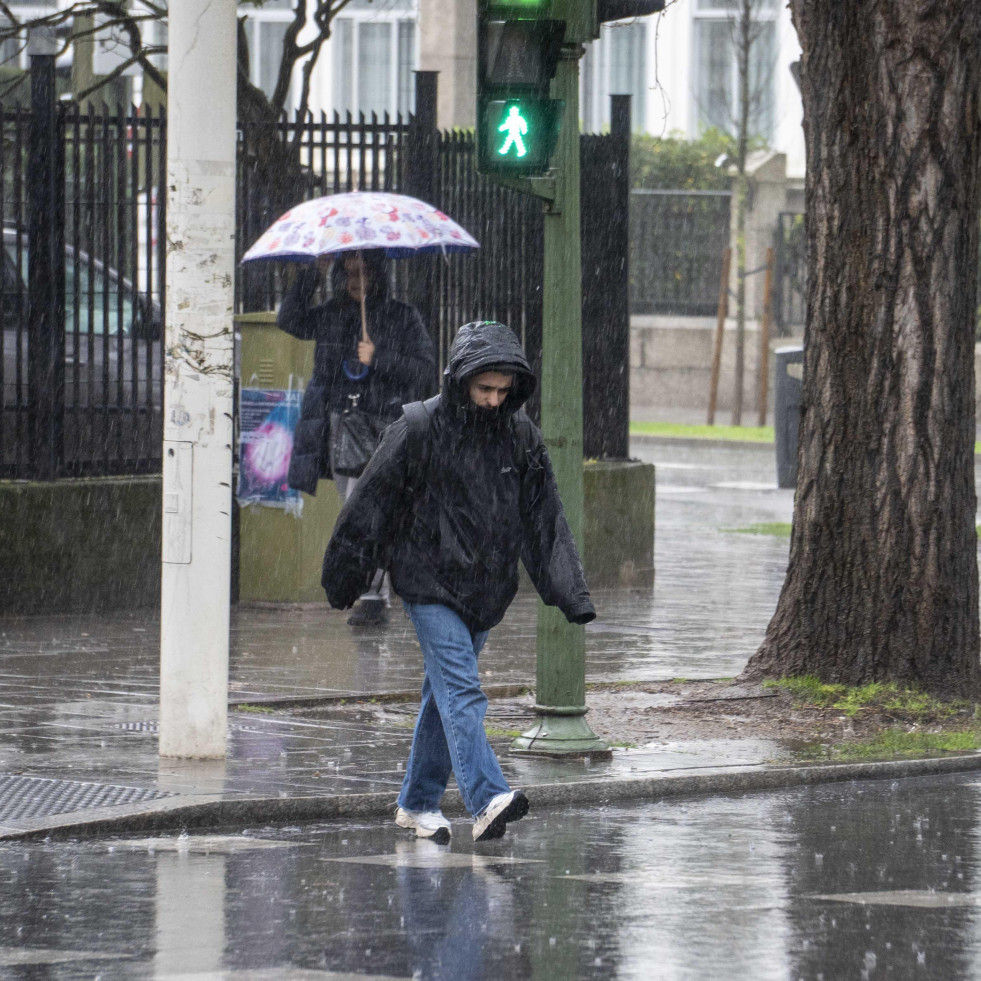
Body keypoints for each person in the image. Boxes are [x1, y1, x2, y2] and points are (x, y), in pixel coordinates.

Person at [321, 320, 596, 843]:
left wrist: (570, 592)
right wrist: (346, 576)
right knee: (463, 689)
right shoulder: (417, 427)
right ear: (460, 380)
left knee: (442, 693)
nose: (494, 400)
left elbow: (545, 520)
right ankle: (487, 797)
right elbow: (369, 505)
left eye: (502, 390)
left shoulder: (520, 437)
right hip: (426, 583)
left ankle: (417, 802)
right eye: (484, 388)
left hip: (485, 587)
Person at [278, 250, 436, 626]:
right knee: (354, 508)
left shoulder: (401, 316)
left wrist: (377, 358)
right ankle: (372, 590)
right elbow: (291, 319)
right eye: (348, 272)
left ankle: (373, 594)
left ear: (378, 275)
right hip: (341, 428)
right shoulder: (331, 314)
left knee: (366, 508)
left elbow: (423, 369)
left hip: (383, 428)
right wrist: (311, 274)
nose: (355, 281)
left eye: (363, 273)